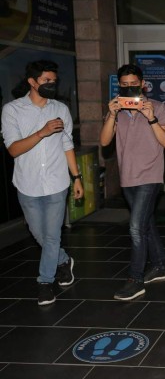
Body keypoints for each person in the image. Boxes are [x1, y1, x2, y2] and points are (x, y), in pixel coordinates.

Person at [1, 60, 83, 306]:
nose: (51, 85)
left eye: (54, 82)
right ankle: (63, 260)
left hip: (57, 182)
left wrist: (76, 177)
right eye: (46, 81)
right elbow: (14, 150)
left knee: (51, 237)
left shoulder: (61, 109)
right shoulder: (12, 110)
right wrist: (42, 132)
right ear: (32, 81)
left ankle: (45, 282)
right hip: (28, 184)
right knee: (40, 234)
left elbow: (67, 145)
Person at [100, 63, 165, 301]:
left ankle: (135, 279)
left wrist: (150, 118)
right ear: (119, 86)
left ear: (143, 84)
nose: (129, 88)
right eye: (124, 85)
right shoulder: (117, 110)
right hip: (127, 177)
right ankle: (160, 266)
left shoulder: (158, 107)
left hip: (150, 176)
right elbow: (104, 141)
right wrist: (111, 113)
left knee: (135, 227)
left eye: (134, 84)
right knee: (146, 223)